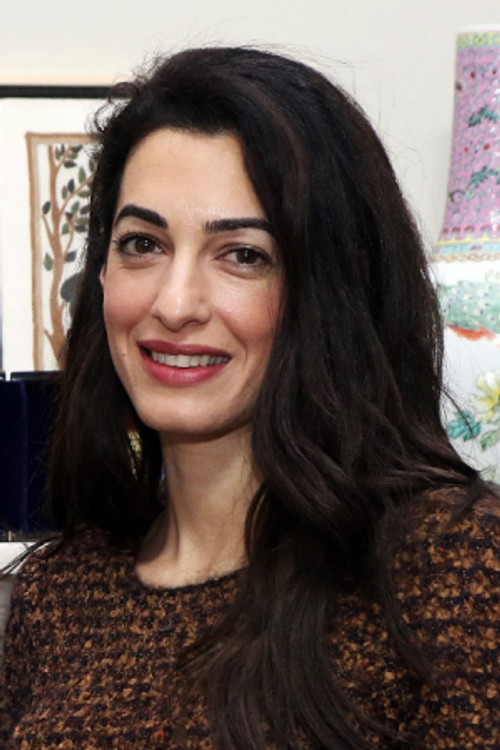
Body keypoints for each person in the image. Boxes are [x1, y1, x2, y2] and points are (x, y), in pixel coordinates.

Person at [0, 46, 499, 749]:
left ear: (329, 292)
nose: (175, 305)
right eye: (143, 244)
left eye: (243, 255)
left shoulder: (450, 566)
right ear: (102, 273)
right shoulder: (57, 595)